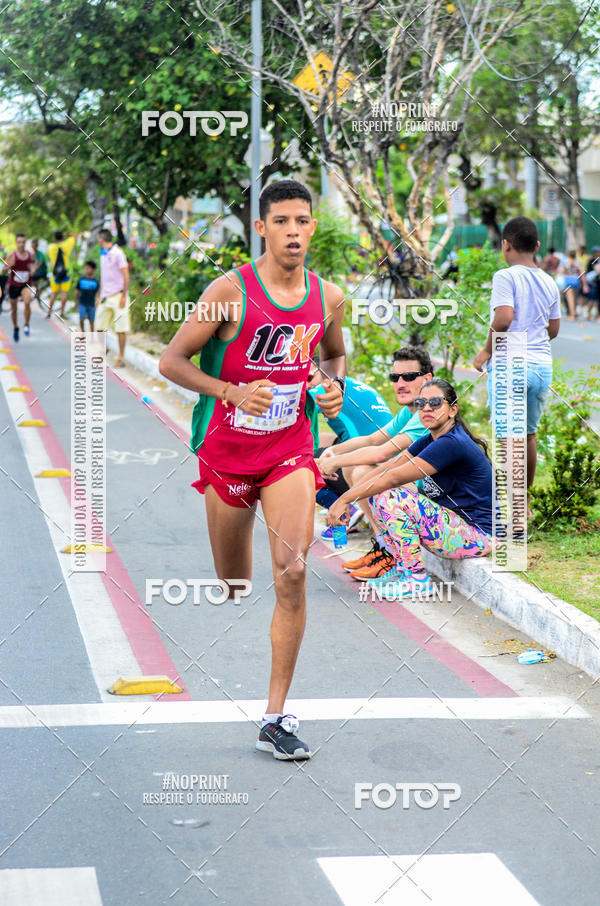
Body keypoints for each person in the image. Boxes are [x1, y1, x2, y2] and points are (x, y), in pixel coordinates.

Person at [158, 179, 345, 761]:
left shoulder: (327, 295)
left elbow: (333, 353)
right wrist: (229, 392)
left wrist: (332, 386)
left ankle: (275, 716)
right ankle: (231, 571)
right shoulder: (228, 291)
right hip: (226, 453)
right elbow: (171, 359)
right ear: (261, 228)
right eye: (282, 221)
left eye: (304, 220)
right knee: (234, 581)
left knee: (291, 571)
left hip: (290, 450)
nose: (294, 230)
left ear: (313, 227)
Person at [325, 379, 495, 601]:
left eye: (435, 403)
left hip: (476, 536)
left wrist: (344, 499)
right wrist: (348, 495)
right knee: (377, 492)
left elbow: (393, 477)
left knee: (389, 495)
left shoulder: (452, 443)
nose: (426, 408)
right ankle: (403, 570)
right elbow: (387, 467)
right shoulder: (430, 439)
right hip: (454, 529)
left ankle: (417, 581)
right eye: (420, 403)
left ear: (453, 410)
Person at [316, 346, 433, 579]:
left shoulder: (427, 411)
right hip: (419, 488)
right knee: (352, 467)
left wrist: (333, 462)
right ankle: (383, 547)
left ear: (427, 378)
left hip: (438, 498)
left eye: (409, 377)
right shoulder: (409, 411)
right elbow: (372, 438)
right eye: (395, 377)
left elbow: (380, 453)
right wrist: (331, 453)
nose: (400, 383)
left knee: (364, 473)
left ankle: (390, 554)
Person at [473, 216, 560, 515]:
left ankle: (516, 515)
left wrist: (486, 351)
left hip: (511, 365)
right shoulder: (550, 281)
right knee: (528, 436)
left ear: (505, 245)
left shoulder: (505, 277)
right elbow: (554, 329)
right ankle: (526, 506)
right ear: (536, 246)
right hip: (541, 367)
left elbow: (504, 318)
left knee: (509, 438)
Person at [308, 374, 392, 538]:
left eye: (311, 376)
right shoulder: (353, 385)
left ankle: (346, 513)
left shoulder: (324, 388)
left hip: (366, 466)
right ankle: (351, 508)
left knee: (305, 468)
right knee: (324, 445)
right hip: (379, 458)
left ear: (322, 373)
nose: (308, 382)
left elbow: (300, 406)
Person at [96, 229, 130, 367]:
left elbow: (126, 276)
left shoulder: (118, 253)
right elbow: (103, 277)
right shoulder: (103, 254)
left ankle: (121, 357)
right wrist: (99, 295)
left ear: (101, 238)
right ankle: (104, 348)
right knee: (99, 326)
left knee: (121, 329)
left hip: (118, 295)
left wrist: (124, 295)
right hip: (105, 295)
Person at [4, 233, 35, 341]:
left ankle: (26, 325)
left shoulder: (30, 255)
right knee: (14, 310)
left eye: (23, 242)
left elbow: (32, 266)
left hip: (25, 284)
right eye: (19, 242)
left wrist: (32, 270)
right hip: (13, 285)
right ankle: (16, 328)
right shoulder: (11, 255)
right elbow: (3, 272)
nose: (21, 244)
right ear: (16, 243)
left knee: (27, 301)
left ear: (25, 243)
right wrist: (8, 266)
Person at [46, 231, 77, 318]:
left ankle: (49, 312)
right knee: (64, 293)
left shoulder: (51, 247)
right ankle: (62, 313)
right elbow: (75, 235)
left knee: (53, 293)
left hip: (55, 274)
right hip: (66, 273)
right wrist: (68, 234)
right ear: (62, 238)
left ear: (55, 238)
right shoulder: (66, 245)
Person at [75, 261, 100, 331]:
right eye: (85, 268)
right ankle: (83, 332)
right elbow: (77, 291)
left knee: (91, 321)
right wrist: (75, 302)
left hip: (92, 304)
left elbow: (98, 293)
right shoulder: (81, 280)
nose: (86, 270)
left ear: (93, 270)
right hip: (82, 303)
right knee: (81, 318)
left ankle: (91, 335)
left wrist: (98, 300)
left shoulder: (96, 281)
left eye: (88, 268)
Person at [557, 249, 581, 321]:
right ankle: (574, 312)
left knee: (570, 299)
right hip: (576, 281)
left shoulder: (565, 261)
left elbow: (560, 271)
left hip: (568, 282)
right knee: (575, 298)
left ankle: (572, 315)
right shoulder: (578, 261)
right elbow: (582, 272)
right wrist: (585, 284)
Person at [30, 238, 49, 304]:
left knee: (32, 277)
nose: (33, 247)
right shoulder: (32, 254)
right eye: (32, 245)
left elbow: (40, 264)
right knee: (31, 278)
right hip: (37, 271)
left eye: (35, 245)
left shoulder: (40, 254)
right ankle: (37, 290)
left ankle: (39, 291)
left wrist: (34, 270)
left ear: (37, 246)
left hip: (42, 271)